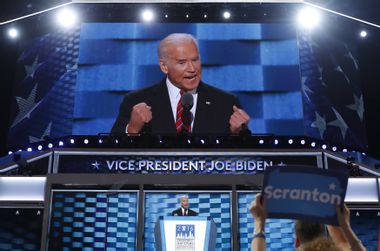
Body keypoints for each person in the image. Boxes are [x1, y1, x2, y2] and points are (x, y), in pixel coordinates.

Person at [111, 33, 250, 135]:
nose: (192, 68)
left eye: (195, 60)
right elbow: (111, 157)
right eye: (182, 62)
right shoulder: (136, 101)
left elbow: (249, 161)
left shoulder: (225, 102)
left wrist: (236, 133)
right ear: (164, 66)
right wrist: (132, 129)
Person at [249, 193, 366, 251]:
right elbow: (343, 243)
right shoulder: (341, 245)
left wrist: (259, 222)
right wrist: (344, 226)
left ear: (297, 242)